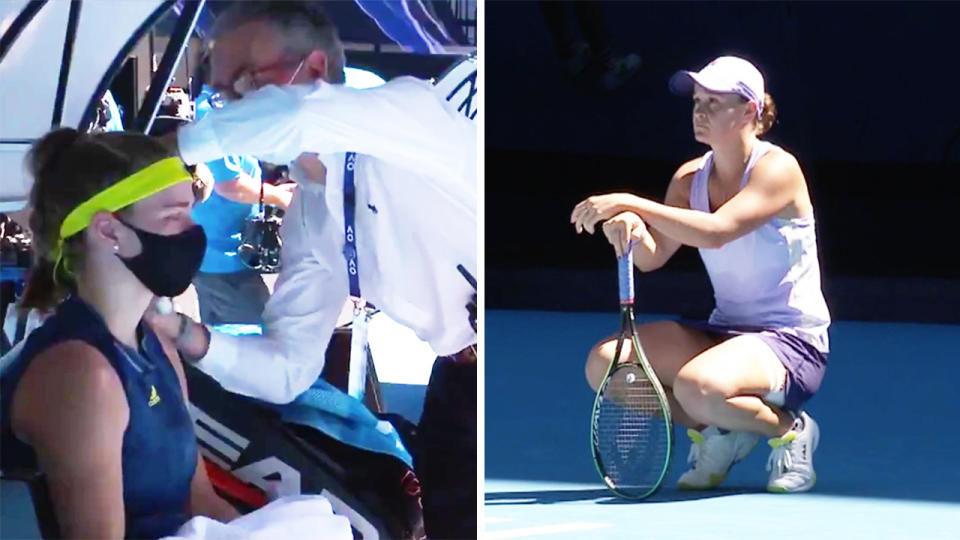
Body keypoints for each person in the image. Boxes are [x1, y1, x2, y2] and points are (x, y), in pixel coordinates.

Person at [153, 2, 477, 537]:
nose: (226, 109)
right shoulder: (311, 214)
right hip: (458, 383)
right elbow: (287, 369)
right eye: (220, 95)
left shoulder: (409, 111)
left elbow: (296, 115)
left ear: (318, 70)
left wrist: (170, 150)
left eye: (245, 83)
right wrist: (185, 334)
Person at [572, 56, 830, 493]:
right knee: (606, 366)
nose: (700, 111)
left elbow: (717, 233)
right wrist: (630, 230)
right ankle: (726, 430)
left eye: (715, 102)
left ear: (750, 110)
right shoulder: (689, 179)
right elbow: (652, 258)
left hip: (790, 341)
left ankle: (790, 428)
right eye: (697, 101)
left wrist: (631, 202)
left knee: (695, 387)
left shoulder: (778, 169)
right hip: (723, 331)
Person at [0, 129, 239, 538]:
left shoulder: (156, 346)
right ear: (109, 231)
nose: (192, 231)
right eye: (174, 215)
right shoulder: (80, 374)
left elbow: (201, 502)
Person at [189, 83, 294, 326]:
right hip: (223, 257)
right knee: (257, 335)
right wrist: (278, 197)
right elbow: (229, 184)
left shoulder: (228, 108)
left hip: (225, 253)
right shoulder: (211, 113)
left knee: (220, 338)